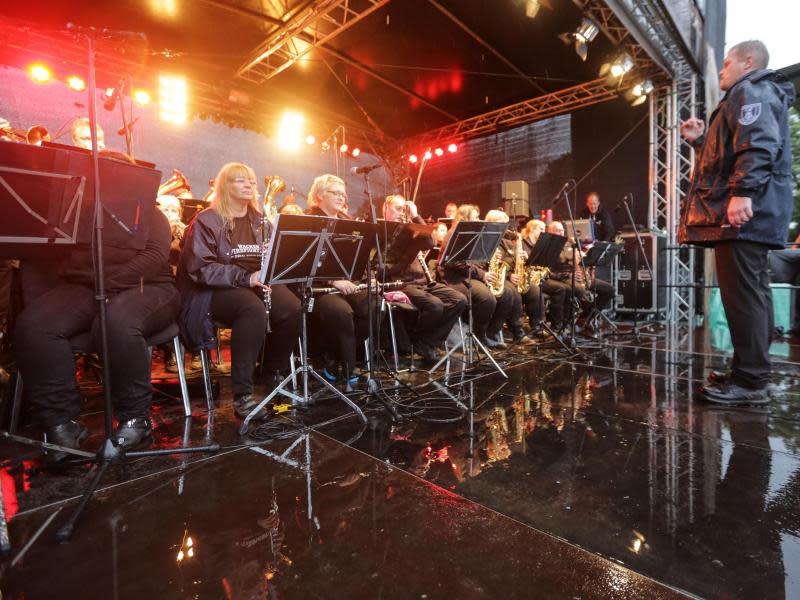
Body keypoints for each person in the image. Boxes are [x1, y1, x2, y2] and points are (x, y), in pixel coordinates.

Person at [14, 201, 180, 458]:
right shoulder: (78, 213)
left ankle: (136, 420)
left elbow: (154, 257)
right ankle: (61, 424)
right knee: (34, 325)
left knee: (117, 322)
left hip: (148, 287)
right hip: (87, 286)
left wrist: (106, 282)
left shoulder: (150, 212)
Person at [679, 40, 795, 404]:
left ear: (748, 62)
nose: (722, 70)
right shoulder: (754, 92)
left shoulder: (751, 90)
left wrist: (742, 192)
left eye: (727, 63)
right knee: (753, 295)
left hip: (746, 213)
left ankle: (750, 382)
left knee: (743, 297)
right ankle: (751, 372)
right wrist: (700, 142)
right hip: (755, 213)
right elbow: (729, 154)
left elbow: (758, 144)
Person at [177, 163, 301, 420]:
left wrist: (272, 269)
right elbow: (201, 269)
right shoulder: (207, 220)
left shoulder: (261, 221)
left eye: (252, 182)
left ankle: (273, 372)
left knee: (292, 308)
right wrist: (246, 278)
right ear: (225, 186)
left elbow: (272, 258)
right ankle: (243, 396)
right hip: (215, 289)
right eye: (240, 180)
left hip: (255, 281)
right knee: (252, 309)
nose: (249, 185)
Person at [380, 194, 466, 360]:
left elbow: (430, 241)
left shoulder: (410, 228)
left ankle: (426, 343)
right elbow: (381, 267)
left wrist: (415, 215)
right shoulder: (381, 231)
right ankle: (417, 342)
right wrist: (401, 262)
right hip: (399, 283)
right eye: (398, 209)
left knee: (459, 299)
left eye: (404, 209)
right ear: (385, 209)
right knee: (435, 306)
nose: (401, 213)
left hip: (421, 282)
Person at [304, 174, 369, 389]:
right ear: (320, 195)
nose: (342, 197)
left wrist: (366, 278)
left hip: (345, 283)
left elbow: (354, 259)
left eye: (343, 194)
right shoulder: (307, 220)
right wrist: (333, 281)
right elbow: (304, 262)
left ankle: (334, 360)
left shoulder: (347, 222)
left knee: (375, 306)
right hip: (316, 287)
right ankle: (349, 368)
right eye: (336, 193)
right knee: (342, 312)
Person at [437, 204, 512, 348]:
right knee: (487, 298)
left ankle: (491, 332)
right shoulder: (454, 233)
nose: (479, 219)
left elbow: (474, 260)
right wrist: (483, 275)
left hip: (469, 275)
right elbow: (456, 263)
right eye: (475, 216)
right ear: (465, 217)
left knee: (507, 295)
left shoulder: (473, 234)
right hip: (455, 278)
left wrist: (489, 258)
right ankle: (479, 337)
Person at [546, 221, 613, 329]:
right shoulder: (548, 246)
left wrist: (584, 256)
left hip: (579, 276)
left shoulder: (568, 244)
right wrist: (569, 274)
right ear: (549, 232)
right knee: (579, 290)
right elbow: (550, 269)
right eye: (557, 230)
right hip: (562, 277)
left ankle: (585, 318)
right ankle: (567, 323)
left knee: (609, 290)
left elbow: (578, 259)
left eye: (562, 230)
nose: (561, 233)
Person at [484, 210, 535, 345]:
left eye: (505, 224)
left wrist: (521, 257)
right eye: (502, 224)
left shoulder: (505, 241)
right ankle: (496, 332)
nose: (505, 227)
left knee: (533, 290)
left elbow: (510, 260)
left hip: (505, 276)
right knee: (511, 293)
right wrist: (509, 275)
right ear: (491, 223)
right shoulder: (485, 238)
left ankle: (530, 329)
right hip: (491, 276)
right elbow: (485, 264)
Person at [520, 219, 569, 333]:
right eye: (541, 229)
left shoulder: (540, 244)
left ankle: (557, 326)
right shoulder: (522, 243)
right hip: (527, 278)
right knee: (538, 293)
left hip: (539, 277)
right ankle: (537, 326)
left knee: (561, 289)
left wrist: (557, 276)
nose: (544, 232)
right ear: (532, 229)